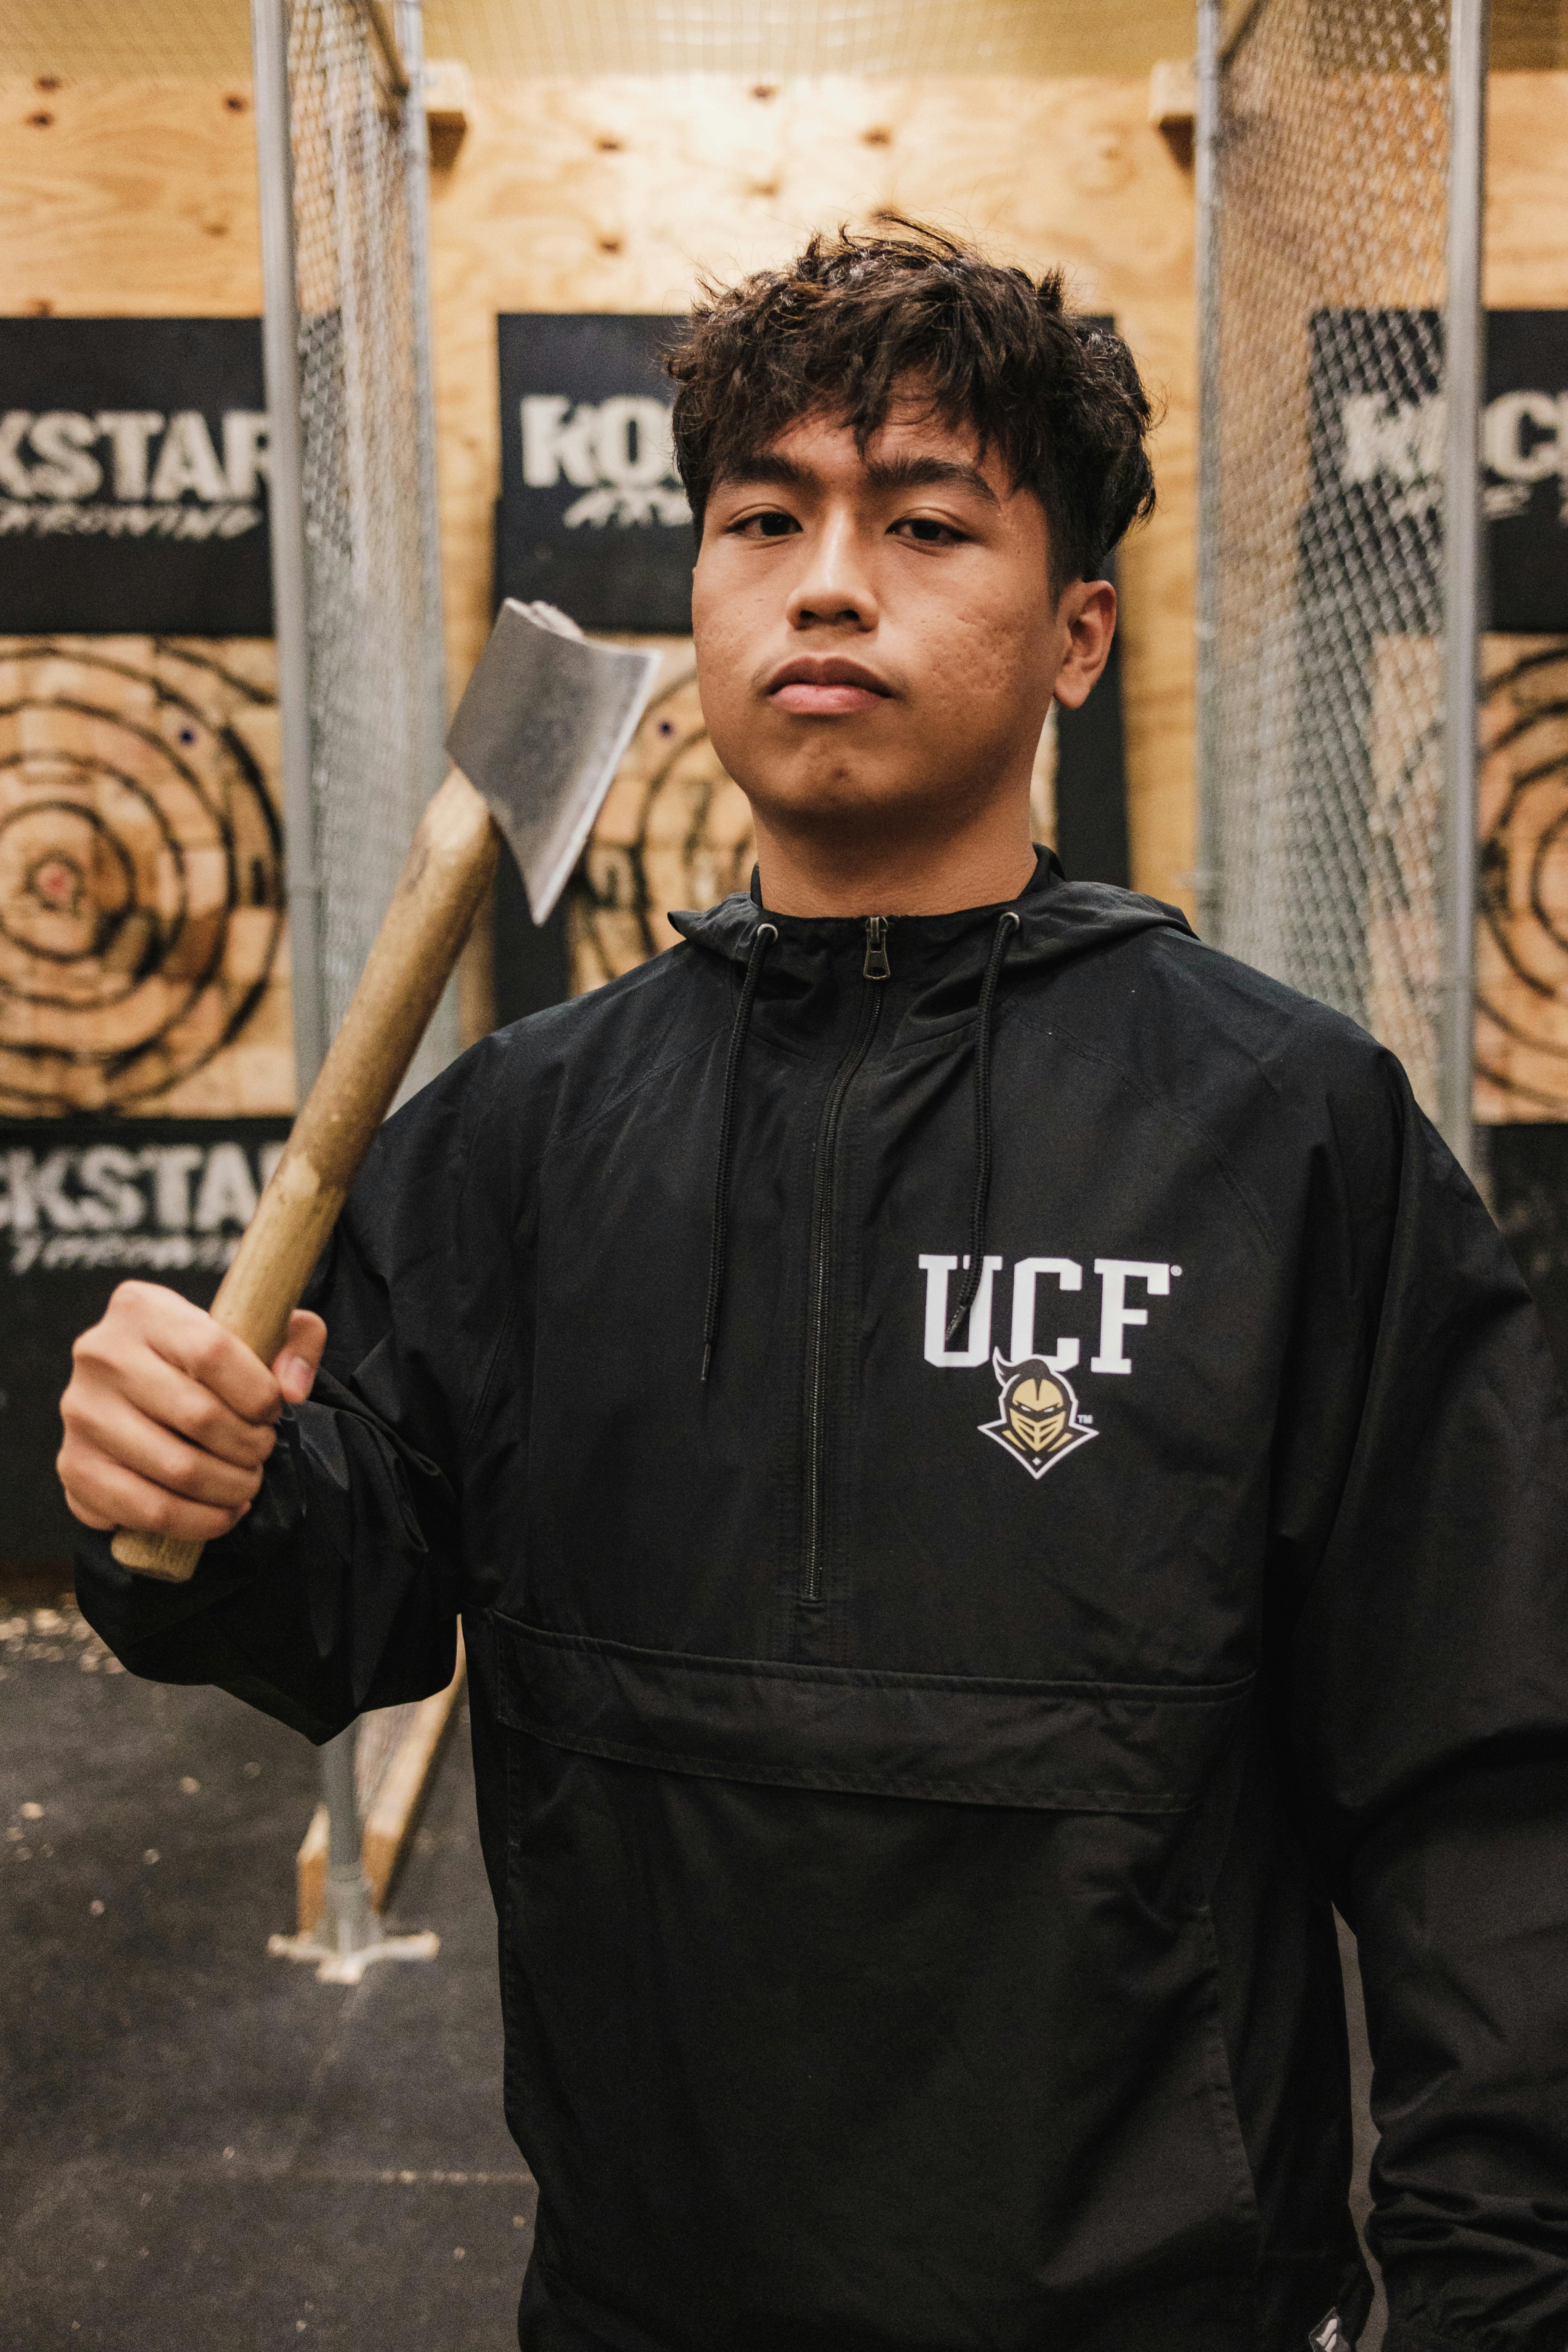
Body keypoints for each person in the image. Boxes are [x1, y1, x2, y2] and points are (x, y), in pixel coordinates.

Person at [60, 224, 1568, 2352]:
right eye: (763, 516)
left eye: (928, 520)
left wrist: (1507, 2298)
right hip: (646, 2304)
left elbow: (1482, 1793)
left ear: (1078, 635)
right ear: (699, 596)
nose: (829, 577)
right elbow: (343, 1600)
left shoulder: (1285, 1134)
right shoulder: (512, 1140)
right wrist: (194, 1493)